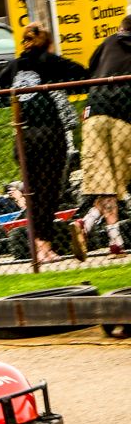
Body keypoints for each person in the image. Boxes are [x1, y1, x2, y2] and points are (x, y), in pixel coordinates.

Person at [0, 23, 88, 263]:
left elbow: (1, 80)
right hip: (49, 134)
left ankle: (42, 245)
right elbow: (81, 73)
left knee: (34, 192)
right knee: (49, 192)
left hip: (23, 136)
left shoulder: (15, 65)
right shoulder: (50, 61)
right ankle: (42, 244)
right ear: (48, 43)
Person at [77, 13, 131, 257]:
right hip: (124, 116)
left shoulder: (108, 42)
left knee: (104, 181)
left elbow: (90, 67)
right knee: (119, 180)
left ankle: (99, 231)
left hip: (95, 111)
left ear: (121, 29)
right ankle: (96, 228)